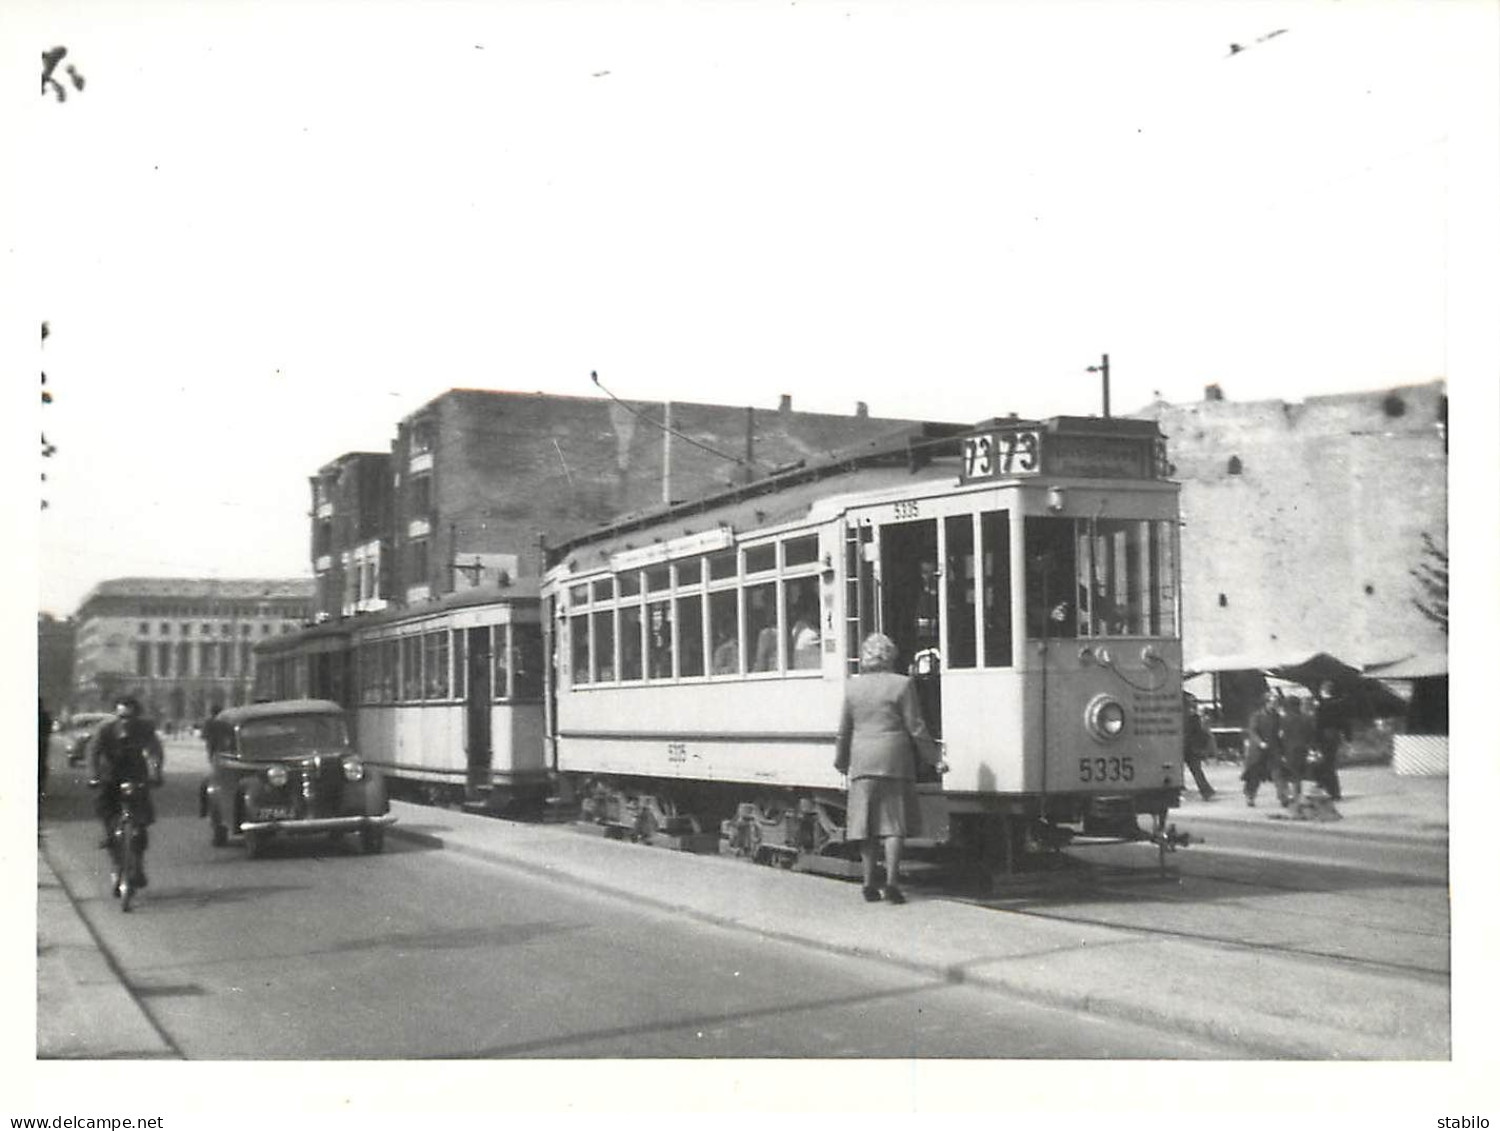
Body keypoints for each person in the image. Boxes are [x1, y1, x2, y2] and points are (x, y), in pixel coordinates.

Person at [833, 633, 948, 904]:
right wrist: (934, 759)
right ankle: (893, 885)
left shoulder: (853, 688)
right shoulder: (903, 684)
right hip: (894, 759)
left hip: (862, 760)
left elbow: (843, 731)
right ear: (890, 656)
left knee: (866, 825)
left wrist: (841, 760)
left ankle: (868, 884)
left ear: (866, 657)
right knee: (893, 825)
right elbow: (916, 727)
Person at [90, 696, 160, 886]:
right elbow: (94, 753)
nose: (125, 721)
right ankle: (109, 840)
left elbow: (155, 751)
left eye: (130, 717)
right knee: (104, 806)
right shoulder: (105, 730)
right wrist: (95, 775)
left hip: (136, 774)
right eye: (121, 716)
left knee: (142, 817)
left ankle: (138, 864)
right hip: (110, 775)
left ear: (137, 716)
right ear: (116, 715)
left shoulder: (145, 728)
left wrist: (156, 772)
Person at [1241, 691, 1281, 808]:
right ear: (1266, 703)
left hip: (1273, 748)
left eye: (1275, 702)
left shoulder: (1276, 716)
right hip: (1258, 751)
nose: (1274, 705)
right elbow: (1252, 731)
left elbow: (1277, 732)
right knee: (1254, 775)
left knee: (1277, 772)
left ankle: (1283, 797)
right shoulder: (1257, 716)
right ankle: (1250, 796)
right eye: (1272, 702)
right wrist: (1260, 742)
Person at [1275, 695, 1317, 806]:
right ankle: (1296, 796)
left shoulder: (1283, 720)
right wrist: (1312, 749)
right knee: (1297, 775)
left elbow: (1280, 735)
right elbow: (1311, 735)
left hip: (1287, 750)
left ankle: (1285, 796)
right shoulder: (1306, 718)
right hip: (1302, 750)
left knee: (1282, 774)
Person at [1312, 681, 1347, 800]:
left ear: (1323, 691)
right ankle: (1333, 791)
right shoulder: (1340, 704)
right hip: (1336, 735)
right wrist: (1347, 736)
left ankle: (1332, 791)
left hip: (1324, 736)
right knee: (1330, 763)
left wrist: (1315, 741)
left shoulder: (1321, 706)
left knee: (1325, 765)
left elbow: (1318, 725)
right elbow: (1344, 722)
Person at [1181, 693, 1217, 800]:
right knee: (1196, 770)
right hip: (1189, 747)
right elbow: (1199, 733)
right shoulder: (1193, 717)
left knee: (1194, 770)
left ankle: (1206, 791)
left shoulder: (1189, 717)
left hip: (1185, 747)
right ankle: (1206, 791)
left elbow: (1196, 733)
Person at [38, 698, 52, 801]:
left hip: (41, 742)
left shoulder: (44, 716)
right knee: (41, 765)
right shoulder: (45, 715)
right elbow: (48, 729)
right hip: (42, 742)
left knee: (41, 765)